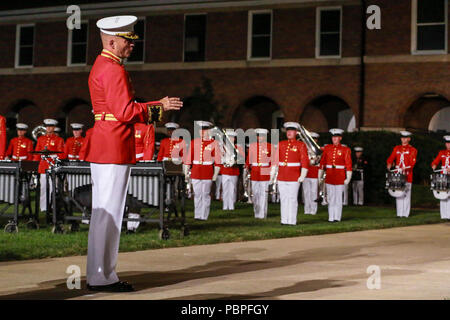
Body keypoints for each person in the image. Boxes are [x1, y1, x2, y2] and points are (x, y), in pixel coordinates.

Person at [84, 15, 182, 292]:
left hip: (108, 143)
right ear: (112, 41)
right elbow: (125, 112)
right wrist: (158, 106)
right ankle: (102, 276)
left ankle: (100, 274)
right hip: (113, 145)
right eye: (127, 41)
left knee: (105, 212)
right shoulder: (113, 69)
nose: (131, 45)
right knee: (109, 213)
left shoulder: (104, 65)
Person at [271, 122, 309, 225]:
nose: (289, 132)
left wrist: (302, 175)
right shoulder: (281, 144)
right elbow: (275, 160)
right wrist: (272, 175)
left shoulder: (300, 145)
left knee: (292, 199)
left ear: (296, 132)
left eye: (291, 131)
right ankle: (284, 220)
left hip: (294, 176)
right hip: (282, 175)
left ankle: (292, 221)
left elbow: (305, 161)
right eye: (288, 130)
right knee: (283, 198)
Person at [184, 121, 220, 220]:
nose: (202, 132)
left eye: (204, 130)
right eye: (201, 130)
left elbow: (217, 160)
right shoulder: (194, 142)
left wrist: (215, 175)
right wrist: (186, 172)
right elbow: (188, 159)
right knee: (197, 194)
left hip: (207, 171)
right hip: (196, 171)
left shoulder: (214, 143)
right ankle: (197, 215)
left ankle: (204, 215)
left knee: (206, 194)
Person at [319, 128, 352, 222]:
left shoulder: (345, 150)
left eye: (336, 137)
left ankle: (337, 217)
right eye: (333, 137)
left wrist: (348, 177)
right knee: (330, 197)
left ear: (340, 138)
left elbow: (348, 164)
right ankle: (331, 217)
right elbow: (322, 163)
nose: (334, 138)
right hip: (330, 175)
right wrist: (320, 175)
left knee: (338, 198)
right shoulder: (327, 148)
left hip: (340, 176)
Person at [33, 119, 65, 216]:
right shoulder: (40, 139)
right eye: (47, 126)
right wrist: (34, 167)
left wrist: (53, 157)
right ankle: (43, 207)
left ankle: (52, 206)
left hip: (53, 166)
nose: (48, 128)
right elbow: (37, 154)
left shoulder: (59, 139)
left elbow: (61, 154)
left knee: (53, 188)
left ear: (54, 128)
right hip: (43, 166)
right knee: (43, 187)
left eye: (51, 126)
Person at [386, 131, 417, 218]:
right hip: (398, 174)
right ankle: (399, 213)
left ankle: (405, 214)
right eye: (402, 138)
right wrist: (389, 163)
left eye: (405, 138)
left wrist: (406, 167)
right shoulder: (396, 148)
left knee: (406, 194)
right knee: (398, 193)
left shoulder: (413, 150)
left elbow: (412, 163)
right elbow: (391, 158)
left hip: (407, 174)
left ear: (409, 139)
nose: (403, 139)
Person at [246, 128, 272, 219]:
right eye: (258, 136)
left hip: (265, 171)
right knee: (255, 193)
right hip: (255, 171)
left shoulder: (270, 146)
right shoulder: (252, 146)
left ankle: (262, 214)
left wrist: (270, 173)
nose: (260, 137)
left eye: (261, 136)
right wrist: (247, 169)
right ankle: (256, 213)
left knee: (263, 194)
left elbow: (272, 161)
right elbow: (249, 160)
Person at [220, 129, 244, 211]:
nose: (231, 139)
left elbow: (241, 159)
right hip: (225, 170)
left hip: (234, 171)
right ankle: (225, 205)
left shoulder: (238, 148)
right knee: (225, 188)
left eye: (233, 137)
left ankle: (231, 205)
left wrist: (235, 161)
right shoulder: (223, 147)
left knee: (233, 189)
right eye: (229, 137)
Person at [431, 135, 450, 220]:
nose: (448, 145)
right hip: (443, 177)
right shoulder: (442, 152)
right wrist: (434, 165)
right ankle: (444, 215)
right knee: (442, 195)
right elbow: (435, 161)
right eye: (447, 144)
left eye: (449, 144)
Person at [303, 131, 320, 215]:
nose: (313, 141)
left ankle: (313, 210)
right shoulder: (305, 149)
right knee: (306, 192)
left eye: (315, 139)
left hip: (315, 174)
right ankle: (307, 209)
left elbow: (320, 162)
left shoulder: (318, 150)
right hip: (306, 173)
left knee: (314, 192)